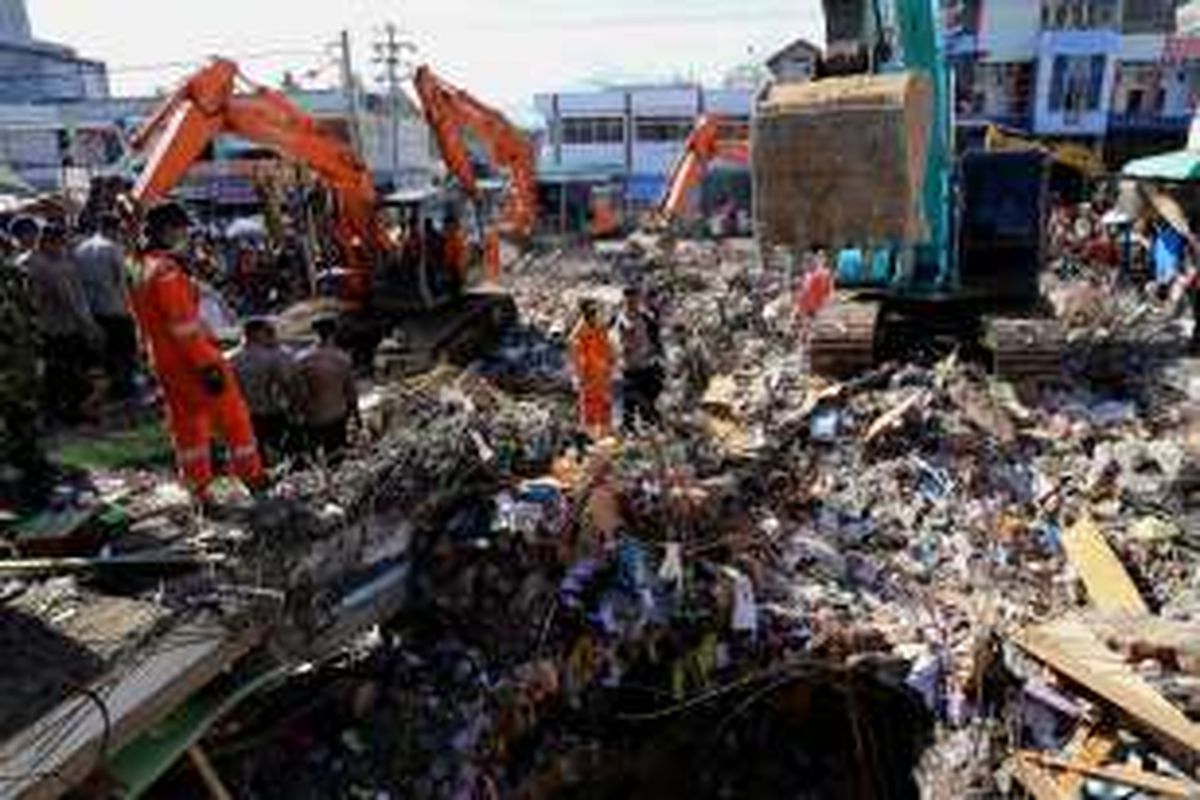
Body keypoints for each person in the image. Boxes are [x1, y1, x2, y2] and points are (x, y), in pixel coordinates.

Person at [129, 202, 264, 497]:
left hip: (164, 363)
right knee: (235, 419)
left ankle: (198, 490)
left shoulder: (140, 267)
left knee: (188, 428)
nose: (185, 235)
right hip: (192, 362)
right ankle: (254, 480)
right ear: (168, 230)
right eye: (181, 229)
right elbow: (184, 328)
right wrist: (208, 364)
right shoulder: (166, 271)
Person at [26, 223, 103, 424]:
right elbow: (69, 300)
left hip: (42, 328)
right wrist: (90, 326)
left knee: (53, 374)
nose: (65, 246)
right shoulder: (50, 266)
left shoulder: (29, 261)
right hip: (61, 328)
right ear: (50, 242)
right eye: (61, 242)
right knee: (67, 373)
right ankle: (70, 412)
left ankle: (54, 412)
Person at [0, 236, 51, 508]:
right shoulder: (19, 274)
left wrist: (38, 352)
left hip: (19, 361)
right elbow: (33, 318)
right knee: (22, 414)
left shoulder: (19, 275)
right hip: (21, 361)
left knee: (22, 414)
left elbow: (33, 317)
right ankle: (25, 465)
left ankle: (24, 467)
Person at [74, 212, 137, 400]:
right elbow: (123, 281)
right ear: (114, 228)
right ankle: (124, 390)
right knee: (124, 353)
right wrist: (130, 308)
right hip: (116, 308)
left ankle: (110, 390)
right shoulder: (112, 248)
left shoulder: (81, 248)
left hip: (93, 309)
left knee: (105, 354)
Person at [231, 317, 296, 465]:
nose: (270, 335)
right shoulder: (272, 357)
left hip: (242, 414)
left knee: (253, 454)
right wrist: (294, 407)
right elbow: (286, 385)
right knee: (281, 453)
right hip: (270, 411)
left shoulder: (231, 359)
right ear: (256, 334)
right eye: (267, 332)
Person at [295, 315, 359, 466]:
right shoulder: (342, 359)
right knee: (336, 457)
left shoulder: (301, 359)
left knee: (312, 456)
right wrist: (356, 415)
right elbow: (351, 391)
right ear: (334, 333)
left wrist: (296, 413)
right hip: (336, 415)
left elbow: (296, 392)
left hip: (311, 417)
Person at [615, 286, 664, 430]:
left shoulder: (645, 318)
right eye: (628, 300)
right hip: (628, 365)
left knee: (647, 397)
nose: (631, 303)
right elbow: (611, 340)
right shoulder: (618, 319)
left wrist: (657, 356)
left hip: (646, 364)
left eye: (634, 300)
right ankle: (628, 427)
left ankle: (646, 425)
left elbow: (655, 337)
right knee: (629, 398)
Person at [570, 299, 615, 439]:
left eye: (595, 312)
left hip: (602, 376)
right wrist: (579, 376)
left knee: (604, 405)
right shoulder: (579, 333)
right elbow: (577, 357)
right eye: (591, 312)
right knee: (589, 407)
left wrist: (610, 364)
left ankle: (604, 434)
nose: (594, 315)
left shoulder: (600, 329)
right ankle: (590, 436)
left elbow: (608, 349)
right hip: (589, 376)